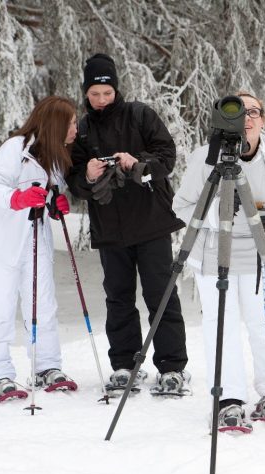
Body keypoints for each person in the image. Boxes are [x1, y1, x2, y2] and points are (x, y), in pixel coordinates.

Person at [173, 92, 265, 432]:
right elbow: (182, 205)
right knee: (222, 326)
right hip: (213, 255)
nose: (246, 118)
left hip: (260, 254)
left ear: (263, 119)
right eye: (239, 111)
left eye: (254, 111)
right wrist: (215, 216)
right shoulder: (206, 157)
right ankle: (229, 398)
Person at [66, 53, 190, 395]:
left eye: (107, 93)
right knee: (118, 298)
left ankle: (172, 367)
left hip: (151, 223)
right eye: (94, 94)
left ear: (116, 89)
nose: (102, 100)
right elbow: (74, 181)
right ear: (86, 93)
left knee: (160, 294)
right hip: (110, 229)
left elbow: (167, 157)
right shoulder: (83, 129)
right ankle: (124, 365)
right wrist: (87, 175)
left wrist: (139, 162)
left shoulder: (140, 114)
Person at [0, 96, 78, 401]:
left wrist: (55, 203)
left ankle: (47, 367)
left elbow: (52, 191)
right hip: (2, 240)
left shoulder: (56, 155)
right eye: (71, 123)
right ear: (56, 124)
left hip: (35, 237)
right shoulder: (16, 148)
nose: (75, 130)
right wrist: (17, 198)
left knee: (43, 302)